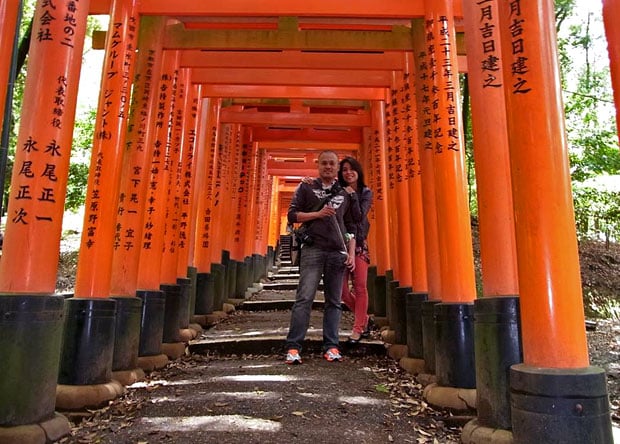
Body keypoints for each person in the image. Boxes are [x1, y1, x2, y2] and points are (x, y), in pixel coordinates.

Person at [285, 150, 356, 364]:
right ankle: (294, 347)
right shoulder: (306, 187)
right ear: (318, 165)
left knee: (334, 301)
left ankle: (331, 346)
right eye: (324, 163)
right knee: (304, 298)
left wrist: (351, 252)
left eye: (332, 164)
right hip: (313, 248)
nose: (328, 167)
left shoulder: (345, 192)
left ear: (337, 168)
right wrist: (317, 214)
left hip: (337, 251)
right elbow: (292, 215)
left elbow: (351, 226)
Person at [338, 157, 373, 344]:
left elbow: (359, 216)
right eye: (344, 169)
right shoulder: (337, 191)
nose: (348, 172)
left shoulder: (366, 192)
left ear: (358, 171)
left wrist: (352, 195)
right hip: (339, 245)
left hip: (359, 244)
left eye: (352, 169)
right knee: (342, 292)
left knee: (360, 287)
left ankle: (358, 328)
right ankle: (365, 319)